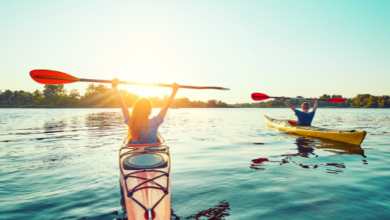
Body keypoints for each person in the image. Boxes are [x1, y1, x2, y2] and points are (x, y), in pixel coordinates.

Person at [112, 78, 179, 144]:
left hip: (135, 151)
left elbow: (122, 104)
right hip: (152, 150)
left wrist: (114, 87)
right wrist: (174, 91)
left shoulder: (131, 121)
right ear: (149, 110)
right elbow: (166, 106)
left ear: (135, 108)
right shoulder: (156, 122)